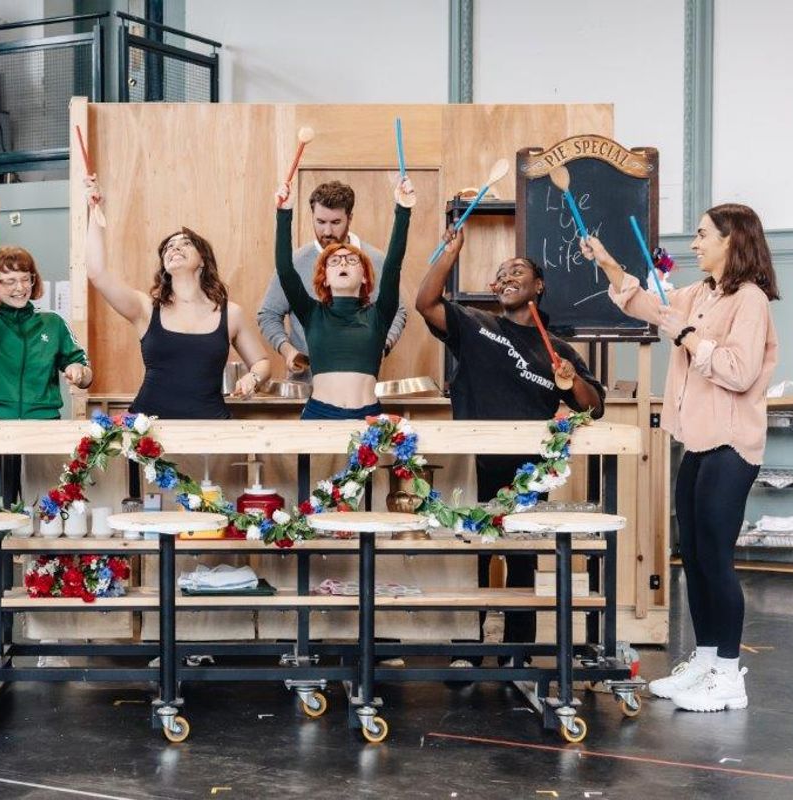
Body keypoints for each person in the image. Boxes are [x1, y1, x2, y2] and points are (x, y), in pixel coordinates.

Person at [583, 204, 779, 712]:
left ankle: (729, 676)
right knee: (692, 558)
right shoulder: (700, 294)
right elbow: (646, 304)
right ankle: (707, 660)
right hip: (696, 442)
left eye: (702, 236)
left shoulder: (750, 301)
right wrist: (606, 261)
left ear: (732, 241)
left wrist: (688, 336)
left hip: (731, 444)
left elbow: (737, 372)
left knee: (716, 558)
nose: (694, 245)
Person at [416, 228, 604, 660]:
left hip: (529, 469)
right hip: (478, 463)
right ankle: (473, 647)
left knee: (521, 559)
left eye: (517, 270)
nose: (507, 276)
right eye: (501, 273)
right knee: (477, 554)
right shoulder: (475, 325)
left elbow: (593, 409)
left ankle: (517, 651)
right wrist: (448, 254)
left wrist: (571, 382)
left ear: (538, 286)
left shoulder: (557, 349)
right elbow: (425, 302)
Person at [0, 245, 91, 644]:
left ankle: (52, 630)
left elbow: (82, 370)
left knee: (47, 528)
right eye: (7, 280)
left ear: (34, 281)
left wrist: (78, 372)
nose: (18, 287)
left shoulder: (52, 323)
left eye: (24, 278)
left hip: (41, 431)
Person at [83, 176, 270, 418]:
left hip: (210, 430)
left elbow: (262, 362)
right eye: (169, 246)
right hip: (148, 433)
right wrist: (94, 209)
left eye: (186, 243)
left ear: (203, 260)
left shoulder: (230, 313)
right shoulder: (144, 308)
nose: (175, 248)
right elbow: (97, 272)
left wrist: (252, 378)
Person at [274, 177, 414, 420]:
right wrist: (284, 214)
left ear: (364, 276)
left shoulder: (379, 314)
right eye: (334, 261)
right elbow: (285, 269)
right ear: (325, 277)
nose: (343, 263)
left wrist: (403, 209)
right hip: (320, 414)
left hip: (368, 417)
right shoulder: (312, 314)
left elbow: (393, 266)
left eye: (351, 260)